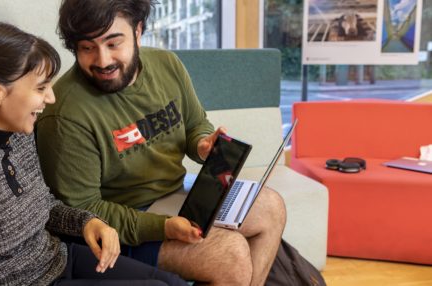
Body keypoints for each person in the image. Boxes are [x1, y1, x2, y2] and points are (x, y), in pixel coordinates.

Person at [0, 20, 187, 286]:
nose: (51, 98)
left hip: (56, 260)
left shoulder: (19, 137)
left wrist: (87, 222)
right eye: (41, 87)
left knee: (171, 282)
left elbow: (43, 206)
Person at [36, 0, 286, 285]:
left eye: (113, 43)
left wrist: (203, 144)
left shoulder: (166, 64)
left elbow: (195, 124)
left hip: (178, 194)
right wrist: (164, 228)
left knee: (271, 207)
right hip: (126, 223)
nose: (103, 61)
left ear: (138, 31)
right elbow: (84, 211)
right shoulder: (66, 113)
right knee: (230, 255)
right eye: (87, 48)